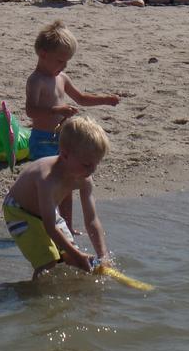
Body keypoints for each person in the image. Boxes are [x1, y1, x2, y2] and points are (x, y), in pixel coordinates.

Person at [25, 20, 120, 234]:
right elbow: (31, 110)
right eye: (60, 61)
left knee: (67, 183)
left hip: (62, 141)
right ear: (43, 54)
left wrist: (105, 99)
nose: (64, 66)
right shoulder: (36, 80)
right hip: (41, 139)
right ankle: (42, 222)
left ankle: (66, 224)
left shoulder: (61, 77)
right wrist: (56, 111)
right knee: (47, 184)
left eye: (67, 62)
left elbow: (82, 98)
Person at [3, 115, 110, 280]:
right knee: (48, 262)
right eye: (87, 165)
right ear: (65, 155)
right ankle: (35, 298)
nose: (92, 170)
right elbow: (50, 226)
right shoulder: (48, 179)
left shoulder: (84, 179)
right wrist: (77, 255)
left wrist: (103, 255)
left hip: (49, 212)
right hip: (19, 212)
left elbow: (92, 220)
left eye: (97, 163)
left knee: (69, 259)